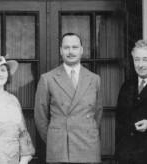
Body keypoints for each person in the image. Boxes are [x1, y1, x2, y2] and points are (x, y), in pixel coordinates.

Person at [34, 33, 103, 163]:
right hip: (61, 148)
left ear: (82, 50)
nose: (70, 52)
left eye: (75, 47)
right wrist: (55, 137)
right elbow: (40, 117)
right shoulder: (48, 79)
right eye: (66, 48)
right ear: (61, 51)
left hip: (88, 146)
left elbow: (97, 114)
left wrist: (86, 129)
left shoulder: (94, 79)